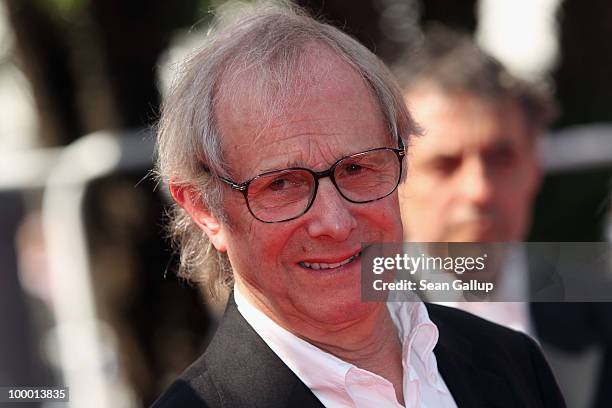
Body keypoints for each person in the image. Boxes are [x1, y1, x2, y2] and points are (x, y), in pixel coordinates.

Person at [152, 2, 564, 407]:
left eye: (357, 169)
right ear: (203, 208)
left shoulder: (513, 363)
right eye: (282, 184)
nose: (334, 221)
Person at [394, 30, 611, 407]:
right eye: (446, 165)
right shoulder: (351, 324)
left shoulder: (601, 306)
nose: (480, 190)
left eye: (502, 159)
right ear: (391, 178)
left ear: (534, 168)